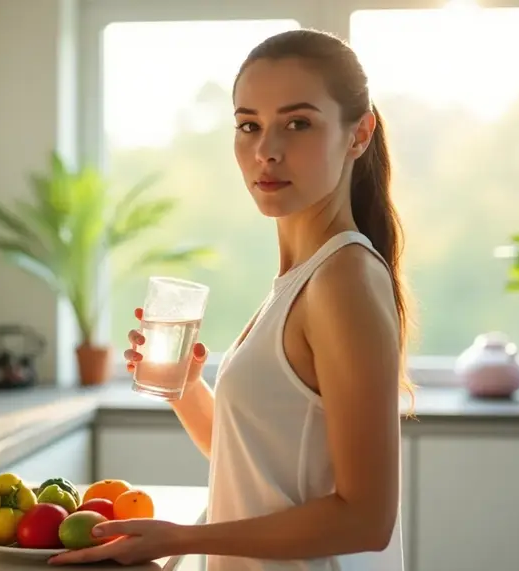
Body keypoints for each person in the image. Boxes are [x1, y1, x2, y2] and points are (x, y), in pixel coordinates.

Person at [48, 27, 414, 570]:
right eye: (249, 125)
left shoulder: (344, 280)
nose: (266, 150)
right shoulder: (300, 279)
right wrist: (187, 389)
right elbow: (253, 463)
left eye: (297, 123)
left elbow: (366, 519)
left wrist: (176, 540)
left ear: (358, 134)